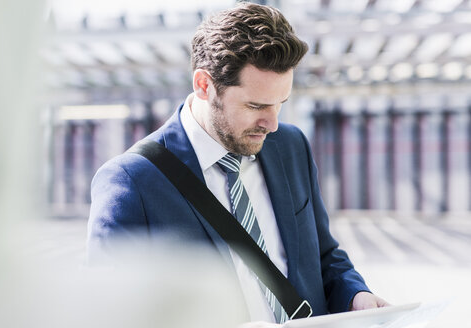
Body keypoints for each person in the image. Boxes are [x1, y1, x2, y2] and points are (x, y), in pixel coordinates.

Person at [87, 2, 388, 326]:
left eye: (280, 104)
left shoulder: (290, 146)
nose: (271, 124)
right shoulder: (132, 181)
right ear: (204, 85)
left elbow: (325, 257)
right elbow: (113, 316)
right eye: (255, 105)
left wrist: (355, 296)